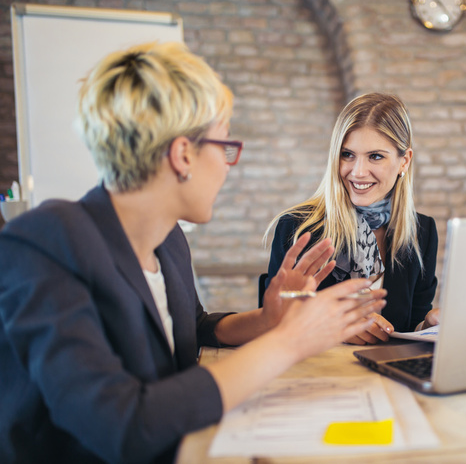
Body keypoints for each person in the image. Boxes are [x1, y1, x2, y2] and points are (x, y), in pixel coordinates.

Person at [0, 42, 386, 463]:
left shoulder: (168, 241)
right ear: (183, 154)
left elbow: (193, 327)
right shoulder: (44, 241)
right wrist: (290, 341)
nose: (226, 165)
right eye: (224, 147)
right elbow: (120, 426)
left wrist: (266, 320)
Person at [265, 93, 439, 344]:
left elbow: (411, 326)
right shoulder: (297, 227)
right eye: (347, 155)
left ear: (404, 161)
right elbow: (273, 323)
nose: (357, 172)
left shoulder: (421, 231)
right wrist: (335, 326)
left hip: (389, 377)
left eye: (375, 156)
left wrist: (428, 325)